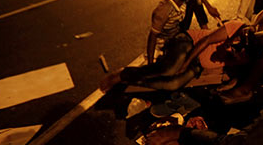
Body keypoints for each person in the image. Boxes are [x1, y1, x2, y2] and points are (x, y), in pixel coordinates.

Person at [100, 19, 248, 92]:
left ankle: (132, 82)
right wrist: (184, 63)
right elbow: (205, 41)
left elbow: (233, 77)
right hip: (190, 42)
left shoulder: (247, 58)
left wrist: (227, 85)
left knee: (173, 84)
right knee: (170, 70)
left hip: (197, 65)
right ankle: (121, 74)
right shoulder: (237, 27)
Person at [145, 0, 220, 65]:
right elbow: (152, 37)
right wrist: (150, 63)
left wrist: (209, 7)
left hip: (178, 29)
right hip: (167, 41)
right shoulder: (163, 11)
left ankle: (205, 29)